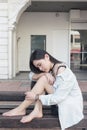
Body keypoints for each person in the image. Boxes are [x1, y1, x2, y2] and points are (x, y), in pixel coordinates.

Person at [2, 49, 84, 130]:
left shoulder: (63, 71)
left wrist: (36, 97)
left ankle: (22, 109)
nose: (40, 68)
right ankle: (35, 110)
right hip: (59, 105)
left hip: (68, 110)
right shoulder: (52, 68)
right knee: (42, 78)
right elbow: (31, 75)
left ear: (47, 57)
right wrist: (45, 74)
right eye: (38, 67)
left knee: (43, 79)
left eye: (40, 64)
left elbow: (58, 98)